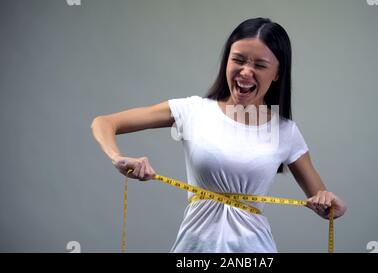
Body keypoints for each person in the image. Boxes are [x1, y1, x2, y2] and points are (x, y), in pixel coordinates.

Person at [91, 17, 347, 253]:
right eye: (238, 60)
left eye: (259, 65)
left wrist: (332, 203)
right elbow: (104, 122)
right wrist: (118, 158)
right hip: (194, 251)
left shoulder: (284, 131)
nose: (246, 71)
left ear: (277, 73)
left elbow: (329, 207)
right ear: (227, 60)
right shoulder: (193, 111)